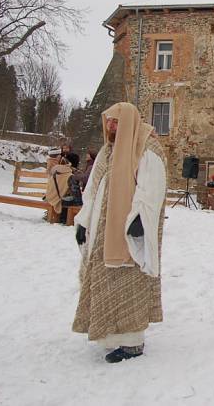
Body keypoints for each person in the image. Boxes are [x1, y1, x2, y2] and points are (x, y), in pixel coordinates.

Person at [72, 102, 167, 364]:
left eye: (115, 122)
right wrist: (83, 222)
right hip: (103, 230)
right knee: (105, 283)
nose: (110, 127)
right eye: (108, 122)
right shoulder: (108, 151)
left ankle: (132, 342)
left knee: (129, 285)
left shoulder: (147, 149)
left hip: (129, 232)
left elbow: (153, 189)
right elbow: (92, 189)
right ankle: (110, 337)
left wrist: (138, 221)